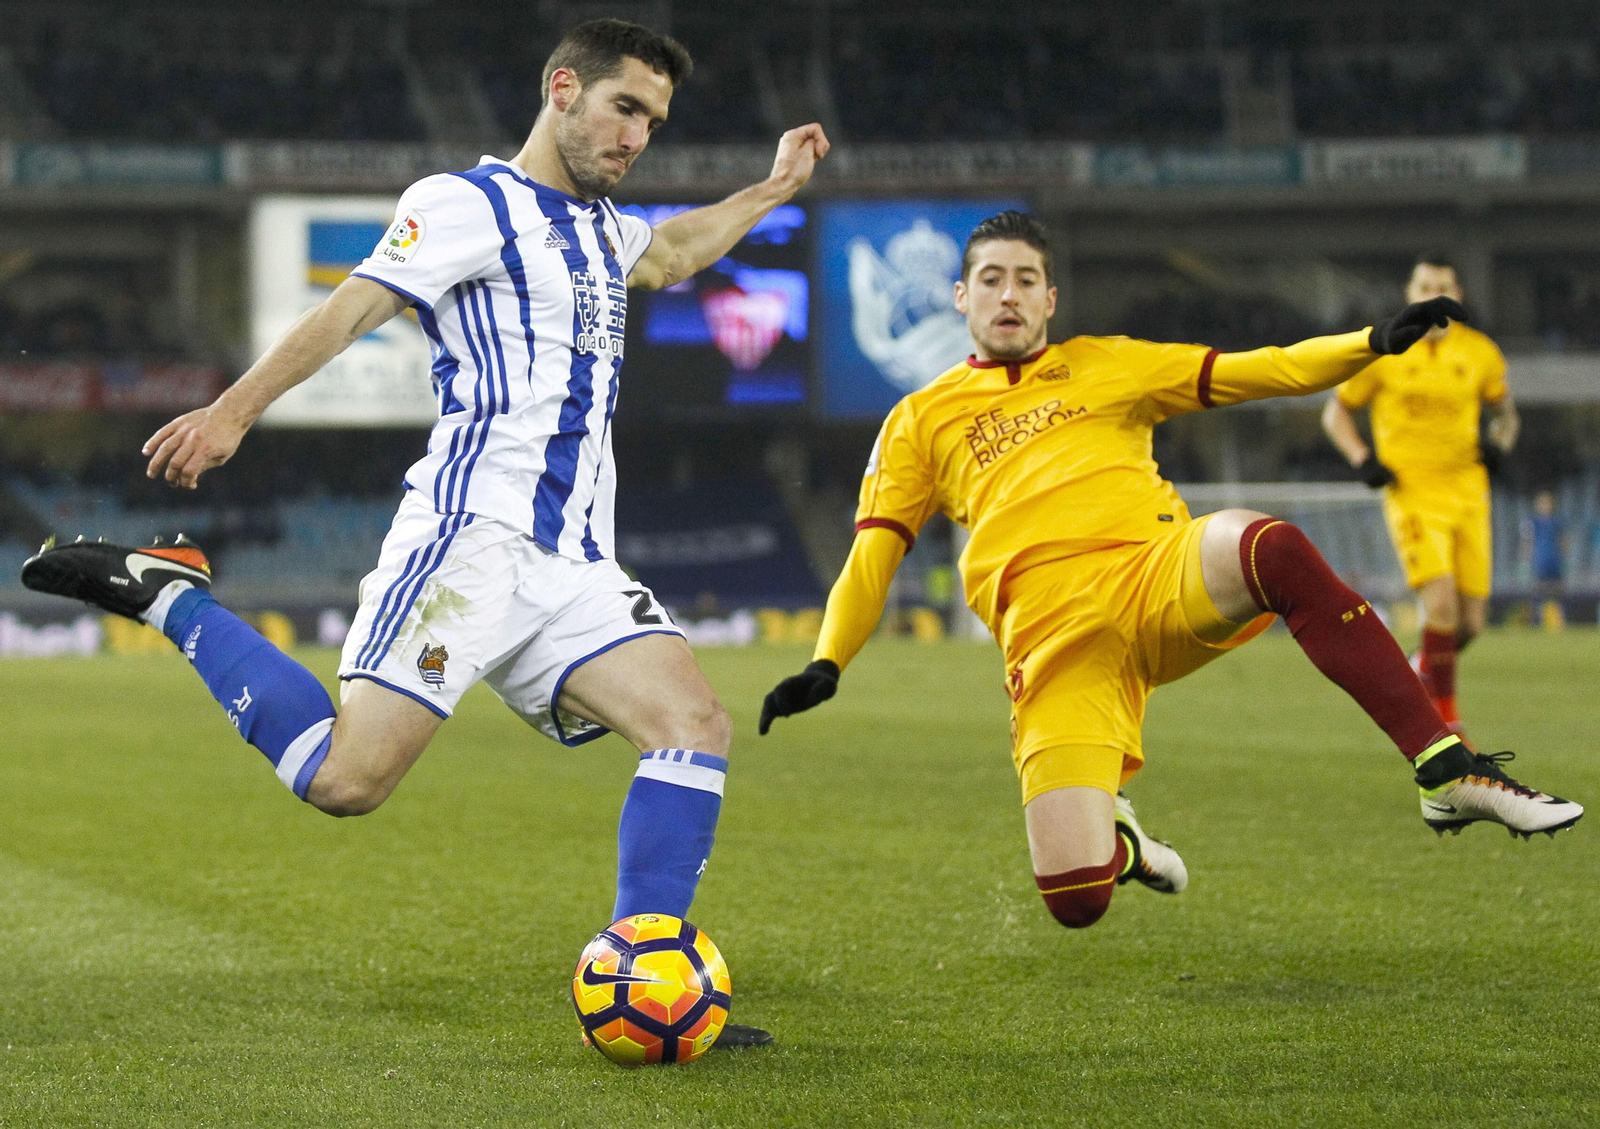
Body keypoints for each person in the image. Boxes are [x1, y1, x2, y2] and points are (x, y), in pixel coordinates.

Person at [22, 18, 830, 1048]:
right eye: (624, 107)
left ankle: (654, 975)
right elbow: (353, 309)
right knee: (344, 780)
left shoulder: (604, 231)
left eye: (654, 122)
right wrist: (231, 412)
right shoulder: (465, 204)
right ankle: (171, 594)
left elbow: (673, 248)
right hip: (469, 540)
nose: (637, 137)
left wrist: (771, 189)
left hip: (574, 561)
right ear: (562, 89)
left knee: (695, 727)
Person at [760, 212, 1581, 932]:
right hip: (1053, 647)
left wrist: (1369, 343)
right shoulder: (918, 420)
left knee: (1272, 546)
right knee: (1075, 898)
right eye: (990, 279)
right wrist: (827, 660)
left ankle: (1444, 766)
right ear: (960, 296)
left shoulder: (1111, 362)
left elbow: (1265, 368)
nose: (1008, 294)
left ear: (1050, 299)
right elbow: (875, 551)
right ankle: (1117, 841)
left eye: (1027, 280)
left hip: (1156, 577)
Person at [1320, 252, 1518, 734]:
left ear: (1458, 297)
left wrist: (1499, 447)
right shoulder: (1387, 350)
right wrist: (1362, 459)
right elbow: (1334, 413)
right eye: (1424, 287)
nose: (1433, 296)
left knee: (1471, 623)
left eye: (1442, 287)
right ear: (1410, 295)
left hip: (1469, 492)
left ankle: (1416, 670)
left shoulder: (1481, 353)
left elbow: (1507, 415)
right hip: (1412, 491)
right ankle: (1446, 723)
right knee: (1442, 605)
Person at [1526, 489, 1567, 631]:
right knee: (1539, 589)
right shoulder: (1534, 522)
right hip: (1540, 559)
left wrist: (1563, 555)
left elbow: (1563, 540)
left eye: (1547, 503)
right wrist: (1527, 556)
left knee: (1558, 590)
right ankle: (1538, 621)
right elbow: (1528, 541)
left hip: (1554, 559)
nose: (1545, 506)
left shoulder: (1557, 522)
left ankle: (1559, 620)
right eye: (1542, 503)